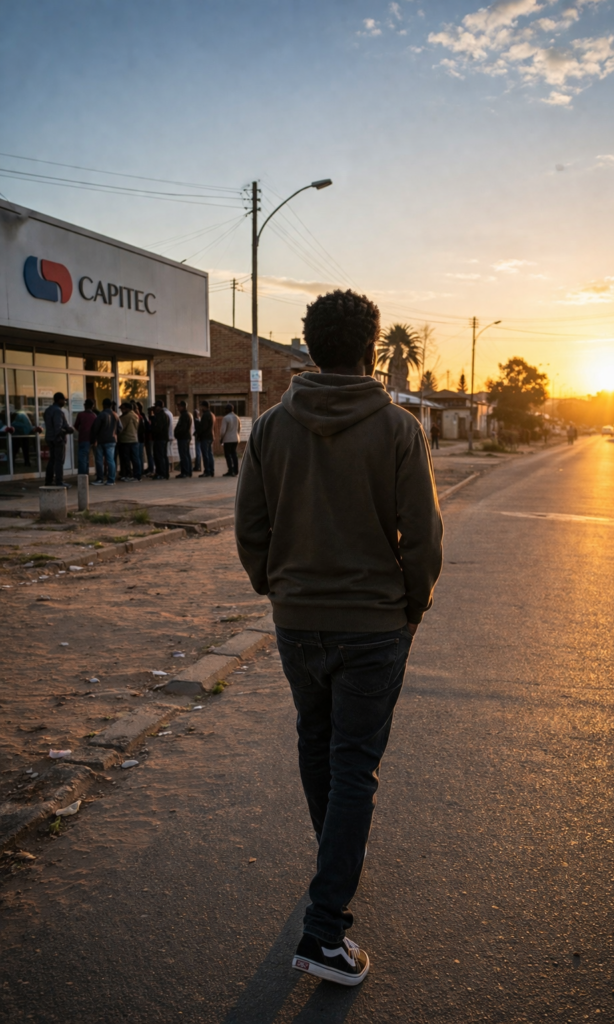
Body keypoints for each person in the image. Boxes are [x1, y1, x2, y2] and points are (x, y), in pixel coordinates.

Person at [235, 289, 443, 987]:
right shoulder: (396, 430)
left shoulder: (269, 428)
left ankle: (332, 866)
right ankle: (324, 932)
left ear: (308, 345)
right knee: (353, 762)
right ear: (370, 347)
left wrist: (279, 588)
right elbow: (423, 538)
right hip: (373, 626)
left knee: (315, 741)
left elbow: (250, 531)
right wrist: (411, 605)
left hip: (297, 622)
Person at [43, 392, 74, 487]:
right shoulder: (58, 411)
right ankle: (59, 481)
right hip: (57, 439)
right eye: (64, 400)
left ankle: (49, 481)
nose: (64, 402)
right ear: (59, 400)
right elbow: (58, 428)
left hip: (50, 438)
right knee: (59, 461)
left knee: (52, 460)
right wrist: (68, 430)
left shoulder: (48, 410)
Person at [90, 399, 119, 486]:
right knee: (111, 460)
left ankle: (100, 479)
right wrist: (114, 434)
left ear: (103, 405)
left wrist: (94, 439)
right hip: (112, 440)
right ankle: (111, 479)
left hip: (101, 441)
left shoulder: (101, 415)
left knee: (99, 460)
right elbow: (120, 428)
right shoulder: (115, 415)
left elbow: (95, 428)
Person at [118, 402, 142, 481]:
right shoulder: (135, 415)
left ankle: (129, 475)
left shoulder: (126, 417)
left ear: (127, 408)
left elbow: (120, 428)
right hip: (134, 439)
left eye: (122, 408)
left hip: (126, 440)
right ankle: (137, 475)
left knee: (127, 459)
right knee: (135, 458)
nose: (121, 410)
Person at [74, 399, 97, 476]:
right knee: (86, 458)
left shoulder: (80, 415)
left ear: (85, 406)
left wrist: (81, 431)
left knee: (82, 458)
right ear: (92, 406)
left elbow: (76, 426)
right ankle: (85, 475)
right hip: (91, 439)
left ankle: (82, 477)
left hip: (83, 439)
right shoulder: (94, 416)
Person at [220, 403, 241, 476]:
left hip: (228, 439)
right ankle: (236, 470)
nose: (225, 410)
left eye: (225, 409)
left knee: (228, 455)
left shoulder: (226, 418)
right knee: (234, 454)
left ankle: (230, 470)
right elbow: (239, 428)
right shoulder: (237, 417)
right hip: (236, 438)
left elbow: (223, 430)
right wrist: (237, 435)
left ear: (228, 410)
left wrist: (221, 438)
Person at [174, 400, 194, 478]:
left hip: (183, 438)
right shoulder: (186, 415)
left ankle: (185, 472)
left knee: (184, 455)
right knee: (186, 455)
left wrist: (177, 433)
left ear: (183, 407)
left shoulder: (185, 415)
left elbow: (183, 428)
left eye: (179, 407)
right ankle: (188, 471)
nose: (178, 408)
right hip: (185, 437)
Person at [151, 398, 170, 479]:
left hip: (160, 438)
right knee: (163, 456)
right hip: (163, 438)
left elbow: (158, 428)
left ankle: (161, 473)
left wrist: (152, 429)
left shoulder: (160, 416)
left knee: (160, 456)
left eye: (156, 406)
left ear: (159, 407)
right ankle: (164, 473)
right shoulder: (164, 415)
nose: (155, 408)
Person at [196, 400, 216, 477]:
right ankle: (211, 470)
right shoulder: (212, 414)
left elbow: (203, 427)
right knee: (210, 454)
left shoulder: (205, 415)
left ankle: (207, 471)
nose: (201, 408)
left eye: (202, 406)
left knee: (206, 455)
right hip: (210, 436)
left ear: (205, 407)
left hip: (205, 437)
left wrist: (198, 429)